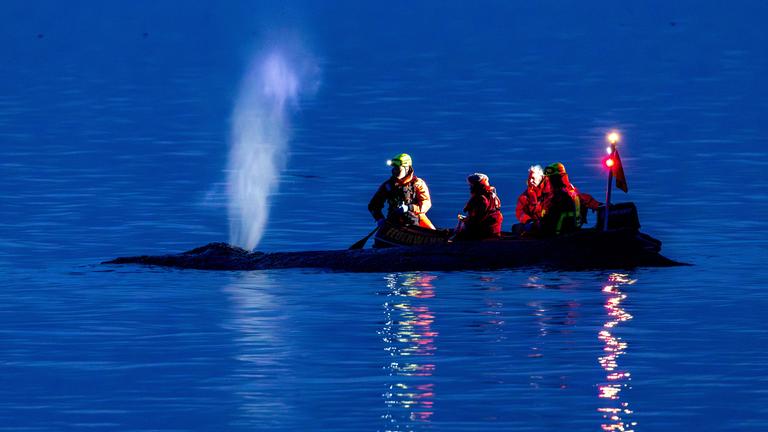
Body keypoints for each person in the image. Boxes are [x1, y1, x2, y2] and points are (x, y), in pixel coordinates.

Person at [368, 153, 435, 229]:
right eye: (394, 168)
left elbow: (426, 203)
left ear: (407, 168)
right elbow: (373, 206)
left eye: (398, 169)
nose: (395, 171)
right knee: (382, 232)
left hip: (416, 217)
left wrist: (409, 208)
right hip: (393, 220)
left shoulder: (418, 183)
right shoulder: (388, 185)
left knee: (433, 231)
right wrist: (379, 219)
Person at [454, 173, 503, 240]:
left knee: (460, 228)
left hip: (483, 233)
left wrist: (465, 220)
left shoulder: (480, 198)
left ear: (477, 185)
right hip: (494, 230)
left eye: (471, 185)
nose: (470, 187)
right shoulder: (493, 195)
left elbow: (477, 219)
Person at [538, 162, 581, 236]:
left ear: (560, 178)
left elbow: (551, 219)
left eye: (552, 179)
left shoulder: (562, 195)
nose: (549, 181)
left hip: (557, 234)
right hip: (566, 232)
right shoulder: (570, 191)